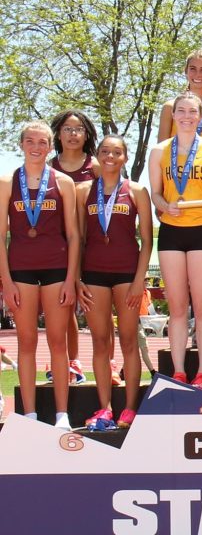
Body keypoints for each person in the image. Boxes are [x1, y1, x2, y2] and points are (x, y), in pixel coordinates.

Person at [0, 121, 80, 430]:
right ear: (21, 145)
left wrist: (72, 279)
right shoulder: (8, 181)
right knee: (26, 342)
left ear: (51, 146)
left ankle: (62, 414)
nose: (36, 147)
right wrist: (6, 281)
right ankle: (30, 414)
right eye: (30, 141)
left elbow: (73, 236)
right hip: (20, 269)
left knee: (58, 343)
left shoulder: (62, 182)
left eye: (43, 142)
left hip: (57, 268)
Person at [148, 92, 202, 389]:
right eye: (182, 111)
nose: (187, 116)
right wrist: (164, 206)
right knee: (177, 307)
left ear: (201, 116)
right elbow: (155, 192)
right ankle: (179, 371)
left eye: (193, 111)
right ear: (174, 115)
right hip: (171, 231)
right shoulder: (159, 151)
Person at [76, 135, 152, 429]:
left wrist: (138, 281)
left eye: (117, 152)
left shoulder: (136, 191)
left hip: (126, 274)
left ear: (124, 157)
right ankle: (105, 407)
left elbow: (146, 241)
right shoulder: (84, 191)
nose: (110, 156)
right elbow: (79, 238)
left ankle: (130, 407)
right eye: (105, 151)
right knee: (99, 341)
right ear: (97, 155)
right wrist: (78, 278)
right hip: (94, 273)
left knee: (129, 340)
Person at [48, 110, 100, 385]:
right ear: (58, 133)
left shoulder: (97, 166)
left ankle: (108, 362)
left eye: (78, 129)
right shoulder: (49, 167)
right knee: (64, 303)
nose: (72, 134)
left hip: (95, 246)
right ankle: (71, 361)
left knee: (98, 306)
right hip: (63, 245)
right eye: (67, 129)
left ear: (86, 134)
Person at [157, 49, 202, 144]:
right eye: (193, 69)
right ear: (186, 71)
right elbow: (161, 147)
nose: (197, 74)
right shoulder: (170, 106)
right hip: (175, 159)